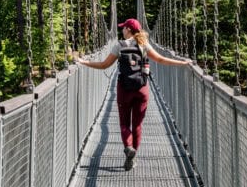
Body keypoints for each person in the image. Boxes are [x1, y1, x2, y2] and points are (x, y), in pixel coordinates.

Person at [77, 18, 191, 170]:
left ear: (129, 30)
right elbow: (161, 59)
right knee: (137, 125)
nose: (122, 30)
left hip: (124, 89)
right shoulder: (144, 44)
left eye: (124, 28)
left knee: (124, 123)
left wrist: (84, 62)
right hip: (141, 89)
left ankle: (128, 147)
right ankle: (133, 156)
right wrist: (183, 63)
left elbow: (104, 65)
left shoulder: (120, 45)